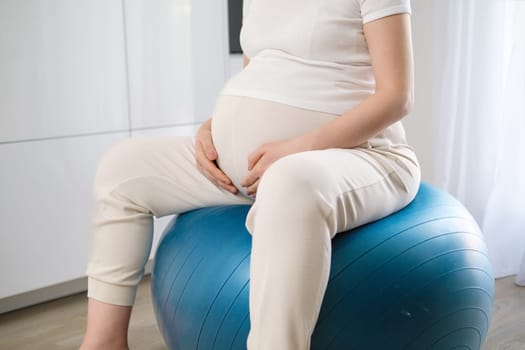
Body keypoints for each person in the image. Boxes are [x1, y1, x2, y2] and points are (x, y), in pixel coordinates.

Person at [80, 0, 420, 348]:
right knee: (121, 167)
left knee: (289, 182)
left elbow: (397, 96)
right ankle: (103, 342)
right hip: (253, 170)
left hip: (363, 155)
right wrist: (214, 129)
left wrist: (301, 146)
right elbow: (259, 76)